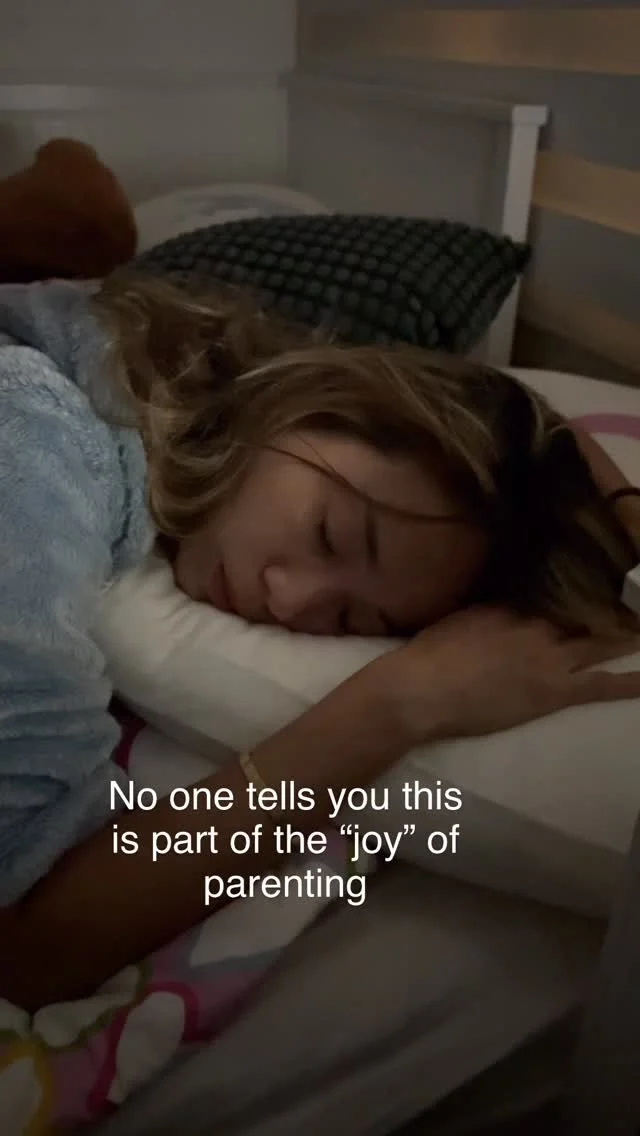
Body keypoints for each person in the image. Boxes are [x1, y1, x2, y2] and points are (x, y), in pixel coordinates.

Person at [0, 274, 639, 1013]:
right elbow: (28, 950)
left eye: (348, 621)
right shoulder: (37, 445)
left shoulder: (170, 376)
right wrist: (394, 706)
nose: (287, 597)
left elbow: (545, 432)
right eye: (329, 534)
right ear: (313, 402)